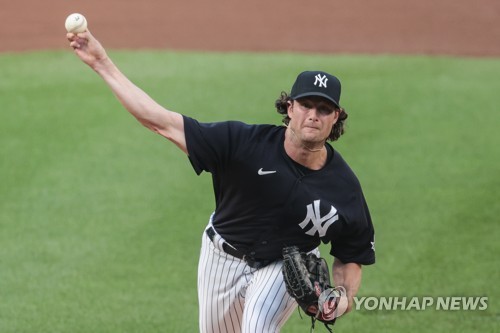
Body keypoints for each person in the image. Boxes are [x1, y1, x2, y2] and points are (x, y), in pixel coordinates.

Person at [67, 30, 375, 333]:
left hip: (284, 265)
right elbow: (159, 121)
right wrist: (101, 63)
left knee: (257, 328)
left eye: (324, 109)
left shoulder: (344, 188)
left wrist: (342, 298)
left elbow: (351, 254)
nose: (313, 115)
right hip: (221, 259)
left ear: (336, 117)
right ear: (290, 107)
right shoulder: (243, 144)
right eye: (306, 105)